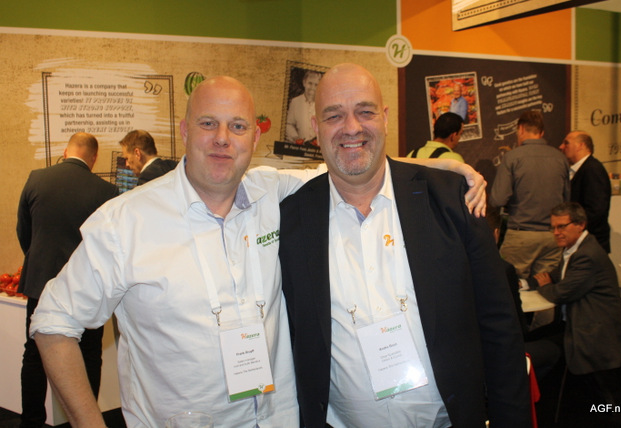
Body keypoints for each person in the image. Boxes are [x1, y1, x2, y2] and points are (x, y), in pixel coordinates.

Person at [30, 76, 486, 427]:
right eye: (208, 124)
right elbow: (52, 324)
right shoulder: (124, 222)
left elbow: (353, 162)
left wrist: (446, 169)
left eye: (238, 126)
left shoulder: (275, 194)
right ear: (185, 130)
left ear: (254, 138)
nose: (222, 138)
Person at [279, 63, 530, 428]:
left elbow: (500, 326)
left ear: (384, 118)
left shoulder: (453, 201)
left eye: (365, 112)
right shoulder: (291, 219)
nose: (352, 127)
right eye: (334, 116)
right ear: (316, 128)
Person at [16, 132, 119, 428]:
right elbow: (109, 244)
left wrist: (39, 263)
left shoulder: (36, 178)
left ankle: (31, 421)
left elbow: (24, 230)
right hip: (87, 288)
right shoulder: (106, 190)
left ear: (65, 151)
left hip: (41, 281)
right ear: (94, 158)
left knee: (34, 354)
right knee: (89, 355)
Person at [523, 202, 621, 425]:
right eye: (553, 227)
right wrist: (533, 282)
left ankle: (611, 417)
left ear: (581, 225)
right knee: (527, 339)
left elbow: (561, 292)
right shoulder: (574, 248)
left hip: (593, 333)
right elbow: (557, 276)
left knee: (528, 350)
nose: (556, 233)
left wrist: (545, 286)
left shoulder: (587, 254)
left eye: (561, 226)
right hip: (574, 323)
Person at [490, 110, 570, 278]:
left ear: (520, 129)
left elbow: (498, 199)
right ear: (541, 132)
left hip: (521, 235)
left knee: (511, 285)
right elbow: (567, 200)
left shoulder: (512, 157)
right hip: (552, 236)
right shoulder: (560, 158)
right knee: (545, 286)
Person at [559, 131, 611, 252]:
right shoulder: (582, 169)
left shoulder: (592, 169)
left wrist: (573, 227)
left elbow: (597, 209)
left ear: (580, 145)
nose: (561, 147)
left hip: (590, 244)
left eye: (566, 143)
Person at [285, 70, 322, 144]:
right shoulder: (295, 102)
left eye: (316, 85)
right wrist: (296, 138)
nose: (312, 87)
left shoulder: (323, 104)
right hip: (300, 145)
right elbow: (289, 124)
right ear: (304, 82)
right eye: (310, 83)